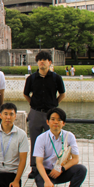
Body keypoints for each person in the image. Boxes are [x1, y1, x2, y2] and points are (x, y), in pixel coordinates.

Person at [33, 108, 87, 187]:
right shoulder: (41, 138)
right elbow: (39, 163)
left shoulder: (69, 136)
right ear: (48, 122)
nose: (56, 122)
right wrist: (47, 181)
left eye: (59, 119)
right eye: (53, 119)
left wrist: (61, 169)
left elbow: (76, 159)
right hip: (46, 171)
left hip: (61, 170)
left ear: (64, 123)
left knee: (81, 169)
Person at [24, 51, 66, 179]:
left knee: (53, 141)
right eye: (39, 60)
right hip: (36, 113)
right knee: (35, 141)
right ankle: (34, 168)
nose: (42, 62)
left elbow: (62, 93)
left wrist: (54, 106)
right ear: (37, 62)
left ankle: (52, 166)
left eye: (45, 59)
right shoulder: (31, 78)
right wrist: (34, 105)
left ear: (50, 62)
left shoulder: (56, 78)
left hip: (51, 114)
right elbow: (26, 94)